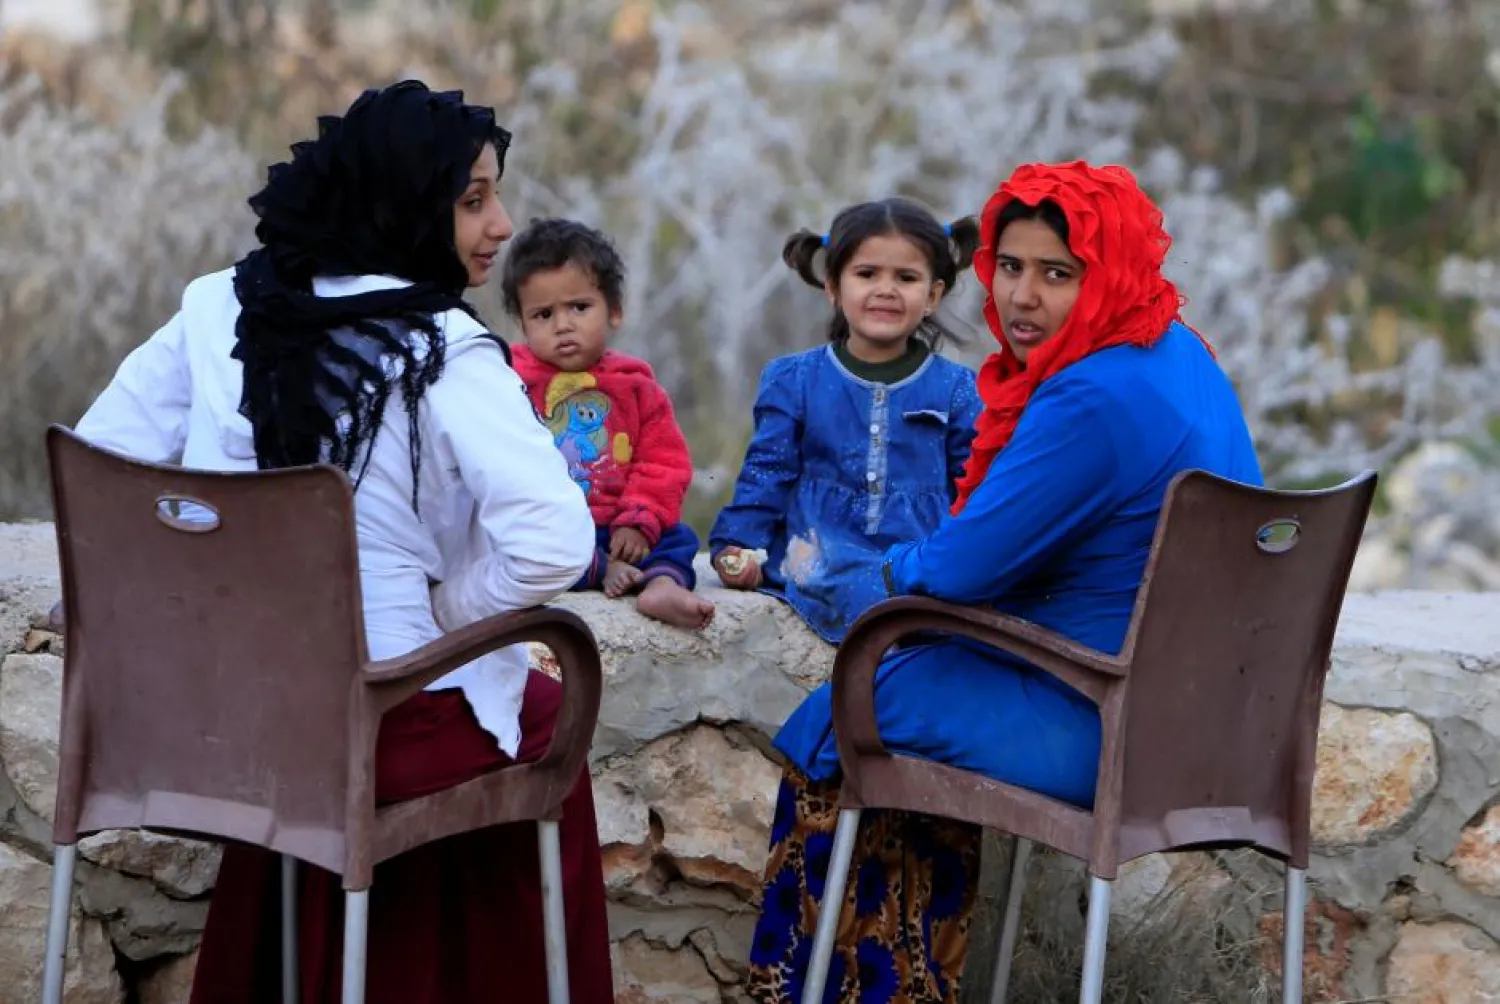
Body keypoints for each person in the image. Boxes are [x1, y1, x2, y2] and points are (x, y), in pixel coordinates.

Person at [71, 80, 615, 1004]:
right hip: (374, 727)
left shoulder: (214, 308)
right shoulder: (438, 346)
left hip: (214, 719)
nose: (502, 224)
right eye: (472, 199)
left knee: (331, 707)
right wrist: (447, 611)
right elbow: (557, 541)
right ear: (400, 202)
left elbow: (96, 467)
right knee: (538, 712)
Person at [744, 161, 1264, 1003]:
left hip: (1106, 719)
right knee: (910, 697)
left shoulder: (1095, 393)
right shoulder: (1176, 352)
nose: (1022, 298)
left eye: (1058, 273)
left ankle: (815, 992)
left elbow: (955, 568)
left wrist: (888, 569)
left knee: (852, 705)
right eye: (1010, 267)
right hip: (1207, 720)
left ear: (1111, 272)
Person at [708, 198, 983, 644]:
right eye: (867, 274)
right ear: (833, 287)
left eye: (907, 278)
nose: (886, 289)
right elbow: (768, 471)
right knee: (876, 596)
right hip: (823, 551)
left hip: (922, 554)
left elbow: (974, 485)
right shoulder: (795, 380)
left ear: (932, 295)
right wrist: (737, 543)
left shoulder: (956, 389)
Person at [502, 217, 715, 630]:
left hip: (619, 529)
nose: (563, 325)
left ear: (614, 310)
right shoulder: (508, 381)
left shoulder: (637, 388)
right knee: (513, 548)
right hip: (550, 527)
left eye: (579, 307)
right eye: (543, 314)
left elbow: (662, 463)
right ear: (523, 324)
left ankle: (662, 585)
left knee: (676, 539)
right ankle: (601, 571)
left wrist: (638, 522)